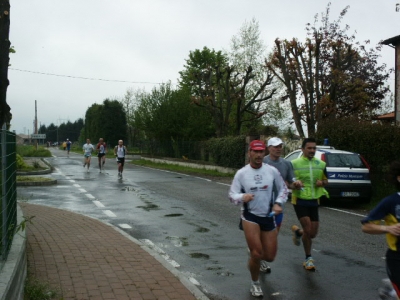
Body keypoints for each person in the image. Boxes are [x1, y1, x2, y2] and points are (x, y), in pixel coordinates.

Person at [229, 140, 288, 297]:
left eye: (261, 152)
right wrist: (243, 197)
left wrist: (278, 203)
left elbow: (284, 189)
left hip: (268, 215)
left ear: (264, 153)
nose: (259, 155)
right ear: (249, 153)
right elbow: (232, 196)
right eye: (255, 152)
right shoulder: (241, 174)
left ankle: (254, 254)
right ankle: (255, 283)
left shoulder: (271, 171)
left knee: (269, 256)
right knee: (256, 253)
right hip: (250, 216)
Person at [259, 137, 302, 273]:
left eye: (280, 146)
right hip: (261, 205)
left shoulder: (286, 164)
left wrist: (295, 184)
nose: (278, 149)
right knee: (261, 234)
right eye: (275, 146)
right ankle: (258, 257)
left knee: (272, 236)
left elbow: (290, 181)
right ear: (269, 148)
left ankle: (261, 257)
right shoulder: (262, 161)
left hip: (278, 206)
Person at [361, 161, 400, 299]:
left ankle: (391, 288)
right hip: (397, 257)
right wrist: (388, 228)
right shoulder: (390, 202)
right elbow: (366, 226)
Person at [290, 137, 329, 271]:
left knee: (312, 233)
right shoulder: (294, 163)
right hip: (300, 200)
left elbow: (326, 181)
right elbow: (287, 182)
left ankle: (298, 232)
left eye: (314, 148)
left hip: (314, 199)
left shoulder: (321, 164)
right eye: (309, 148)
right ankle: (308, 258)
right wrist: (294, 184)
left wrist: (322, 183)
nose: (312, 150)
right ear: (303, 149)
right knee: (308, 229)